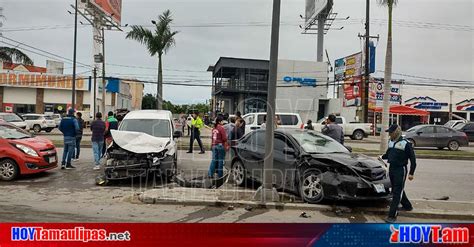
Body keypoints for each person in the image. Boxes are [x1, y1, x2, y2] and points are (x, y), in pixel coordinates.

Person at [381, 124, 417, 223]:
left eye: (391, 133)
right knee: (398, 188)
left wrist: (411, 173)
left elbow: (413, 159)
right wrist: (382, 157)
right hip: (392, 168)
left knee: (396, 193)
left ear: (396, 132)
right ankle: (407, 206)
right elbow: (388, 154)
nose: (389, 134)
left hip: (401, 170)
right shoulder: (391, 142)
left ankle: (392, 215)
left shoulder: (406, 143)